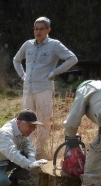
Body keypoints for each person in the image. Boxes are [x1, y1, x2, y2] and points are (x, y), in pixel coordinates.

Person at [13, 16, 78, 158]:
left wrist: (54, 72)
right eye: (36, 28)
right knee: (26, 120)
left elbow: (72, 58)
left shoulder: (54, 45)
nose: (38, 32)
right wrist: (22, 76)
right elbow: (16, 60)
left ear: (48, 30)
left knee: (43, 121)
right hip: (28, 89)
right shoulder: (28, 44)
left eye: (42, 29)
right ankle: (27, 151)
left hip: (44, 88)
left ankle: (40, 151)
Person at [0, 110, 48, 186]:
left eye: (34, 127)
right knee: (2, 181)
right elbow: (12, 153)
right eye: (30, 126)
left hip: (5, 161)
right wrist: (29, 164)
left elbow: (27, 145)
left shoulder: (21, 130)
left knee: (26, 157)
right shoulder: (5, 133)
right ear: (19, 123)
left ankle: (12, 181)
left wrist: (32, 159)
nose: (32, 130)